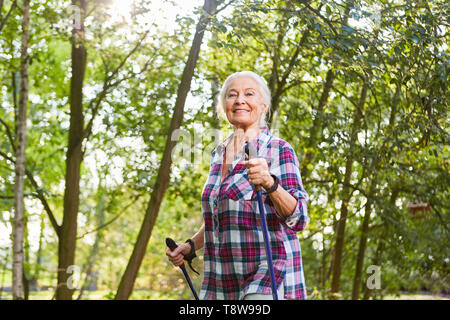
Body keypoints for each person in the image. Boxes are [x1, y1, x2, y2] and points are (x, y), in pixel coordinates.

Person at [166, 71, 309, 300]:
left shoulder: (278, 150)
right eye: (232, 95)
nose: (239, 100)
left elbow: (299, 219)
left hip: (269, 273)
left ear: (263, 106)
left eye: (249, 94)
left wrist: (271, 184)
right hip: (222, 278)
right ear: (224, 106)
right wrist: (191, 246)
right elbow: (218, 218)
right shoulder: (217, 154)